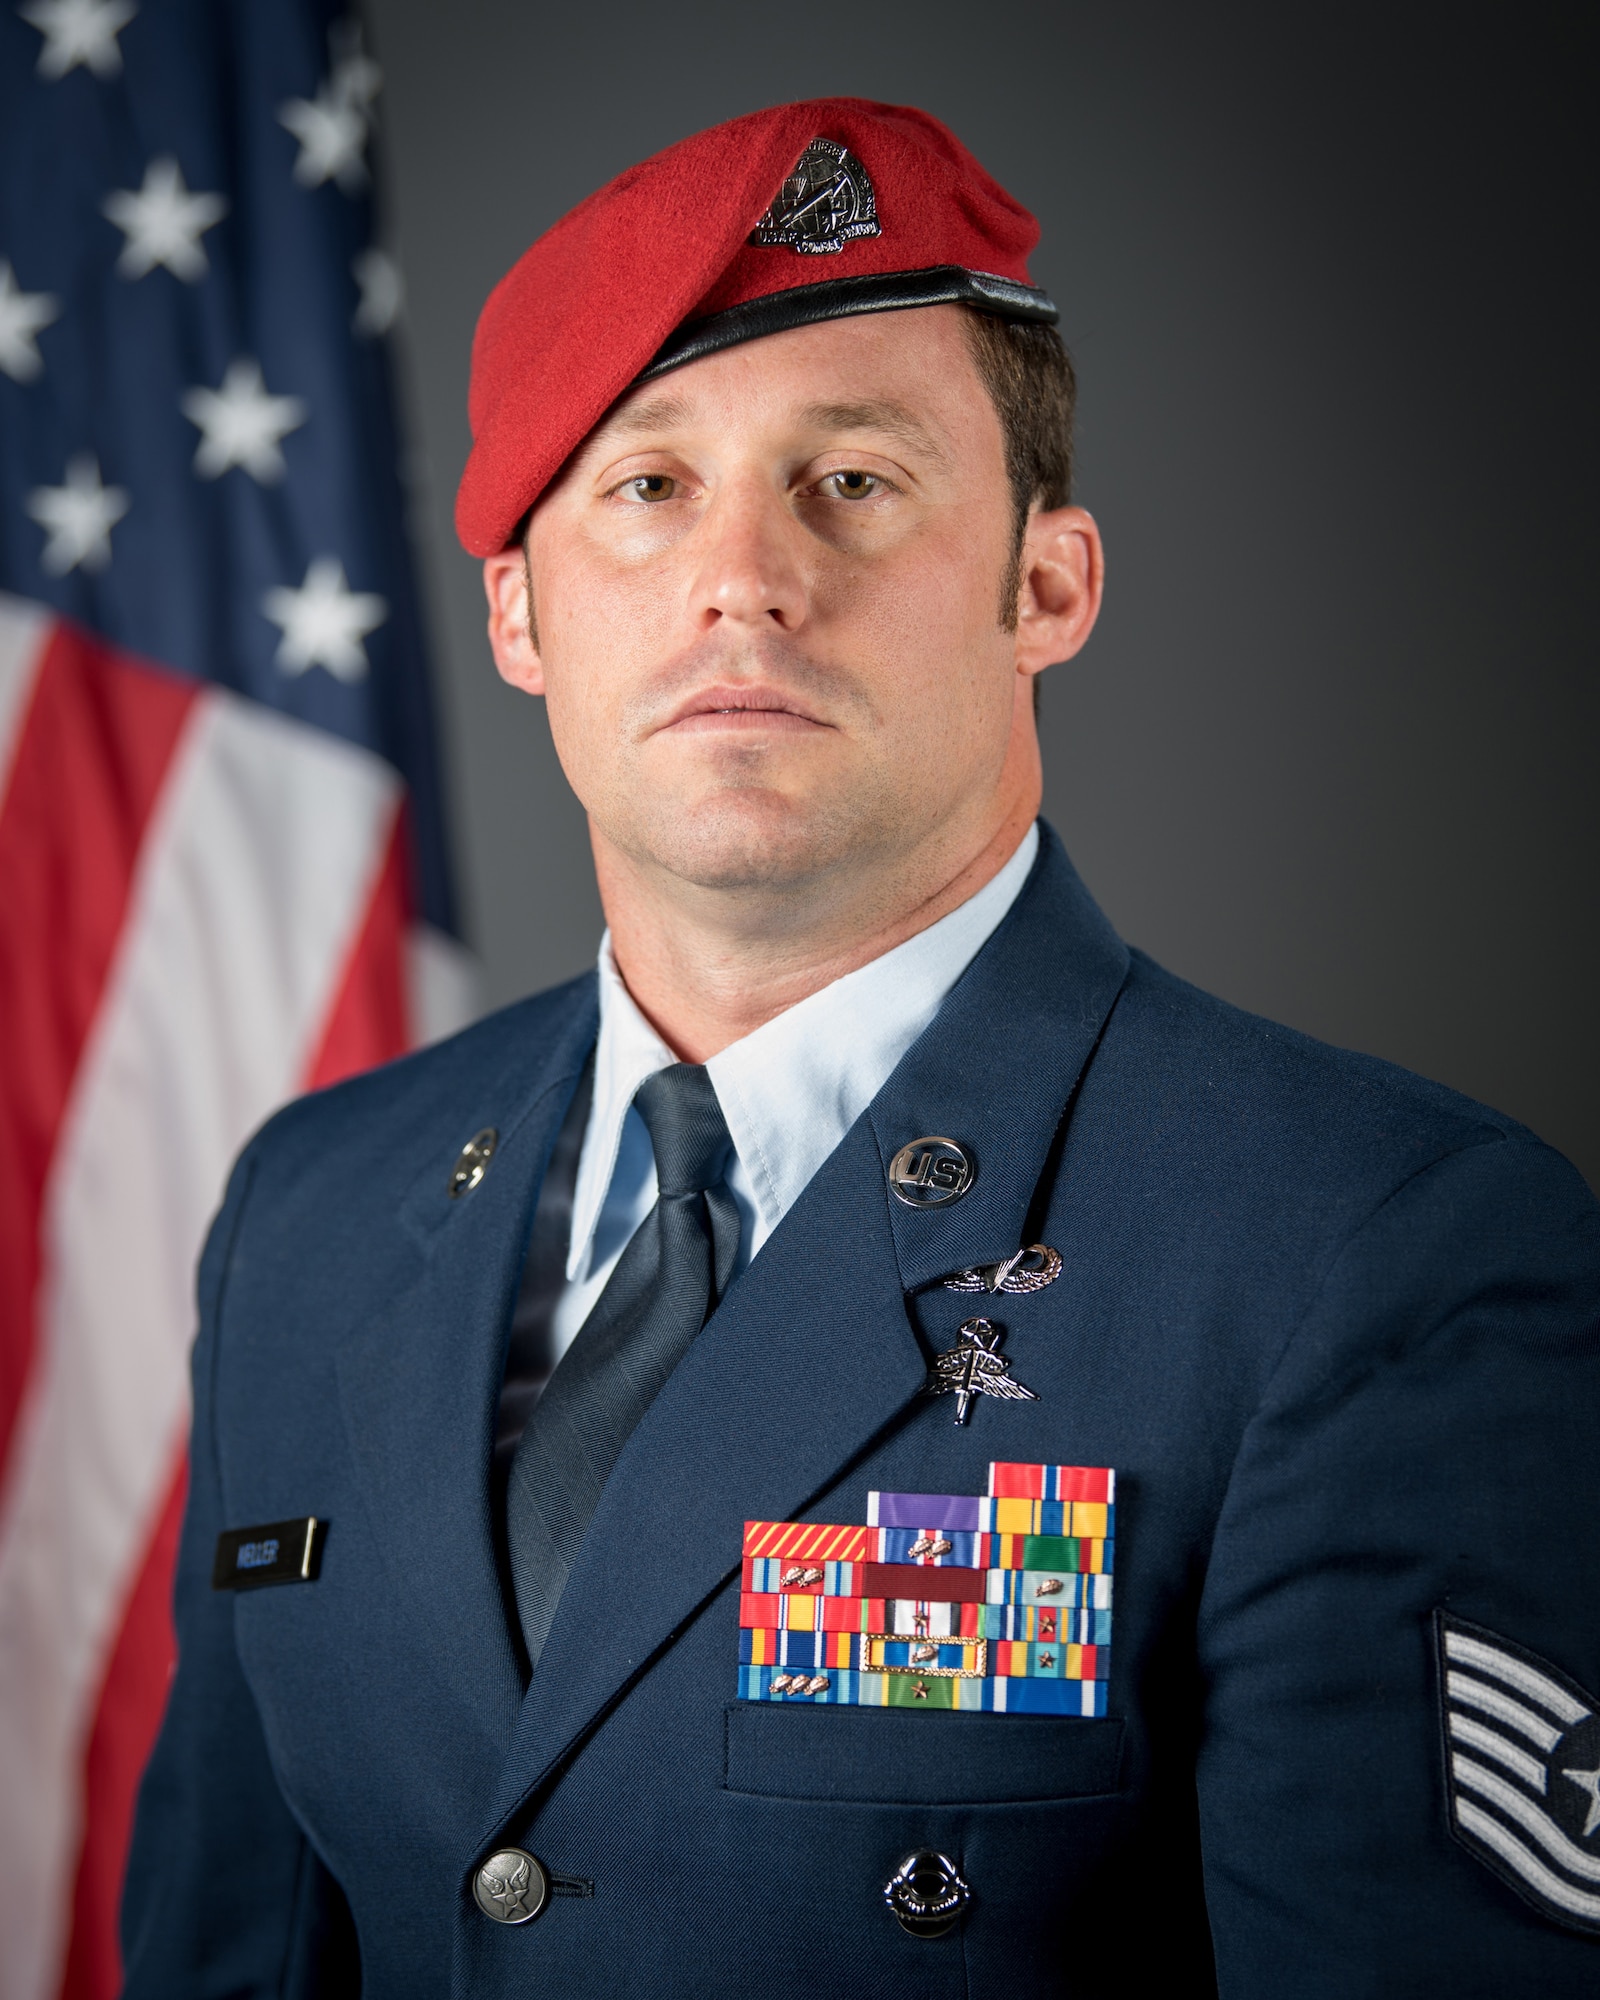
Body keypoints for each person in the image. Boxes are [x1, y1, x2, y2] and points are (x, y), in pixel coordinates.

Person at [123, 98, 1600, 1997]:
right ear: (519, 614)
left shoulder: (1374, 1250)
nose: (743, 575)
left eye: (855, 480)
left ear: (1047, 587)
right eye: (646, 488)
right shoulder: (312, 1213)